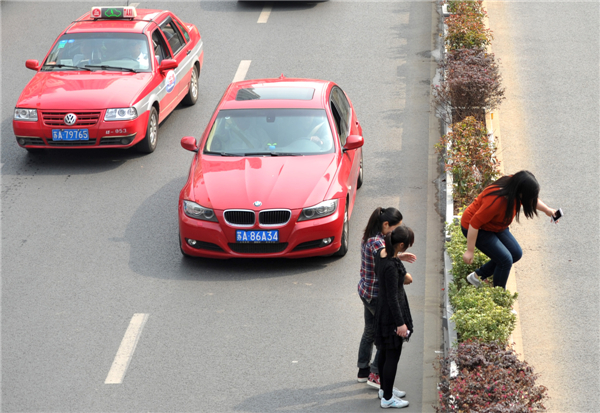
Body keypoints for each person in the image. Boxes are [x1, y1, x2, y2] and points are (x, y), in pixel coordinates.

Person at [461, 170, 558, 289]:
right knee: (505, 260)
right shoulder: (495, 201)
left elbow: (531, 199)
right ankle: (499, 297)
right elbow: (474, 224)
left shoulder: (515, 185)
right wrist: (470, 251)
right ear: (520, 193)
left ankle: (478, 276)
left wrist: (547, 210)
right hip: (476, 228)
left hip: (495, 226)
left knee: (515, 253)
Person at [356, 207, 416, 389]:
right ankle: (375, 374)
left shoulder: (371, 237)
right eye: (396, 227)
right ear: (385, 224)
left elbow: (383, 255)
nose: (397, 231)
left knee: (369, 331)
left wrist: (399, 255)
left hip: (365, 291)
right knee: (384, 336)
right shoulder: (378, 244)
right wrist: (399, 261)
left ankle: (363, 371)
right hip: (376, 295)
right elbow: (394, 271)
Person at [374, 225, 415, 409]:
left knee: (383, 352)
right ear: (399, 245)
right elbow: (393, 298)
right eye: (406, 246)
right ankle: (388, 398)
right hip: (392, 314)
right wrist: (401, 324)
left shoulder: (381, 253)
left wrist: (399, 256)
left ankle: (384, 389)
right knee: (392, 355)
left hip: (382, 311)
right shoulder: (391, 267)